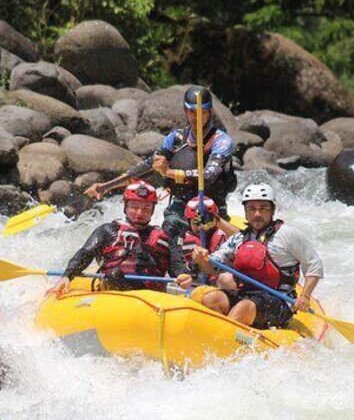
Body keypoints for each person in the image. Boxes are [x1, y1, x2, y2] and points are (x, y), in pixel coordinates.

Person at [83, 86, 237, 242]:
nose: (196, 116)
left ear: (209, 113)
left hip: (211, 207)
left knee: (215, 241)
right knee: (169, 231)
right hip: (180, 207)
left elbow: (208, 175)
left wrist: (168, 173)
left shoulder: (221, 141)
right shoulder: (176, 138)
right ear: (185, 111)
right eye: (192, 112)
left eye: (201, 112)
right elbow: (147, 167)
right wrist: (106, 186)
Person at [190, 183, 323, 329]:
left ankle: (225, 338)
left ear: (272, 210)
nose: (257, 214)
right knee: (211, 299)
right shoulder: (238, 239)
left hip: (279, 300)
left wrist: (305, 296)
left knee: (244, 307)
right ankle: (227, 335)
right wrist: (202, 258)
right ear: (246, 212)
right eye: (251, 209)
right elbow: (211, 268)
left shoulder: (287, 234)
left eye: (263, 208)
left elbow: (313, 264)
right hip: (245, 295)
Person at [53, 181, 185, 293]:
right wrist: (67, 276)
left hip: (151, 296)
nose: (140, 213)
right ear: (125, 207)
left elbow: (177, 267)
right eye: (134, 207)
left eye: (146, 208)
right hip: (113, 290)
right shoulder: (108, 230)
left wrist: (183, 276)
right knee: (114, 274)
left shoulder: (166, 237)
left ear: (153, 210)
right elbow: (85, 253)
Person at [172, 196, 229, 288]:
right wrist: (192, 265)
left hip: (215, 284)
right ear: (188, 222)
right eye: (195, 222)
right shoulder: (182, 238)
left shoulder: (223, 235)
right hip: (192, 283)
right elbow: (176, 267)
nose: (200, 226)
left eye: (205, 222)